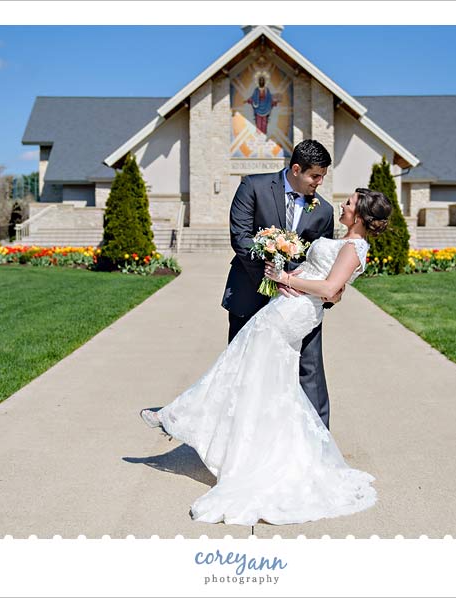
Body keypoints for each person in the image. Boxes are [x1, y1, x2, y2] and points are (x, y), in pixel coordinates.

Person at [140, 187, 393, 526]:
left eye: (349, 204)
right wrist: (292, 274)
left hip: (296, 313)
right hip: (288, 305)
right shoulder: (345, 242)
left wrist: (287, 278)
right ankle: (223, 433)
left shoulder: (353, 247)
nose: (343, 205)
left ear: (360, 215)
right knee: (260, 378)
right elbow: (327, 280)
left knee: (241, 368)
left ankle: (175, 415)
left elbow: (332, 289)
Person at [223, 139, 338, 429]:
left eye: (323, 176)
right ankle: (239, 432)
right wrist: (273, 278)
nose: (319, 183)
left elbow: (318, 254)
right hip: (250, 291)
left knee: (308, 367)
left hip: (297, 300)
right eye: (315, 176)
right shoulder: (253, 187)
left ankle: (318, 438)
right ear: (296, 169)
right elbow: (241, 238)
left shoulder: (323, 210)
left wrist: (301, 285)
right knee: (244, 365)